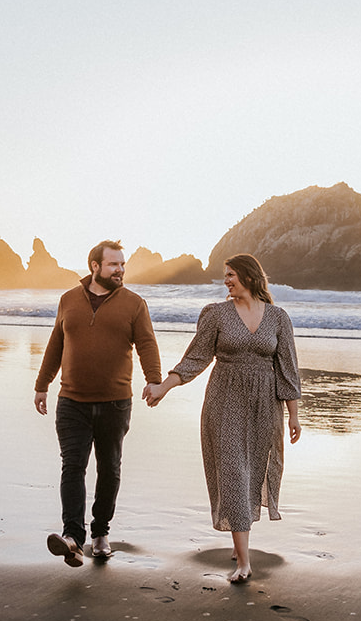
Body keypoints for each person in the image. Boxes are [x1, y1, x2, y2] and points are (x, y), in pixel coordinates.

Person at [143, 253, 300, 583]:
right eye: (225, 276)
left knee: (253, 471)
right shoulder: (216, 315)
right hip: (224, 402)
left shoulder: (278, 318)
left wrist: (293, 417)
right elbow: (194, 359)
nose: (226, 281)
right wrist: (164, 387)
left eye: (231, 275)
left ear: (250, 277)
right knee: (232, 472)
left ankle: (239, 538)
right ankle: (243, 562)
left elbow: (288, 371)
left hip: (264, 406)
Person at [35, 240, 162, 567]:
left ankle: (100, 532)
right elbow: (55, 345)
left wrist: (154, 379)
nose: (120, 270)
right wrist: (41, 385)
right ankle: (73, 538)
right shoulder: (68, 300)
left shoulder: (134, 304)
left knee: (109, 469)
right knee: (73, 466)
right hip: (71, 401)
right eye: (114, 265)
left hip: (115, 403)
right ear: (95, 266)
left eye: (122, 265)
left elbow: (147, 343)